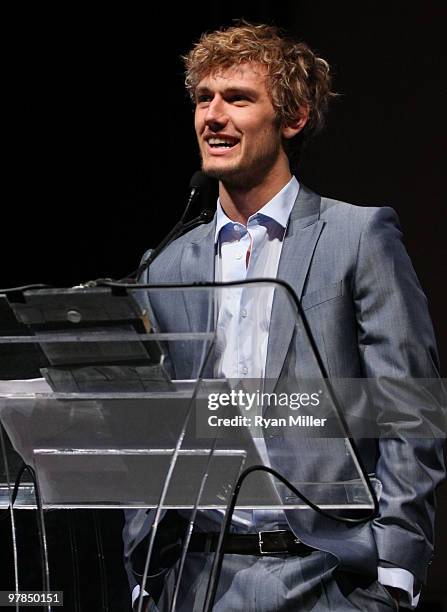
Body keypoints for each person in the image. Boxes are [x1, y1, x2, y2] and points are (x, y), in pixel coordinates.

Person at [124, 22, 445, 610]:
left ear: (292, 118)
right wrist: (147, 567)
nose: (212, 116)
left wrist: (397, 569)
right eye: (203, 99)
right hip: (196, 577)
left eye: (237, 99)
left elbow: (412, 406)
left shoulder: (357, 236)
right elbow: (150, 425)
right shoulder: (166, 263)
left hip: (327, 573)